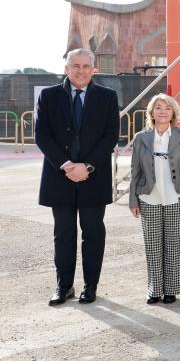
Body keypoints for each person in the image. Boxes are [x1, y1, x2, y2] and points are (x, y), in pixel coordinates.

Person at [36, 48, 119, 306]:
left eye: (86, 66)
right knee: (63, 234)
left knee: (93, 233)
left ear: (94, 68)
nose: (80, 71)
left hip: (94, 178)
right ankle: (64, 285)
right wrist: (66, 165)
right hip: (59, 176)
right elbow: (42, 136)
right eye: (75, 65)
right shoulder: (48, 96)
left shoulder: (107, 97)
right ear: (66, 68)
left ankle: (90, 286)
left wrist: (88, 166)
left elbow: (110, 137)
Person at [129, 94, 180, 304]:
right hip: (149, 196)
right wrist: (133, 200)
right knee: (152, 245)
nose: (162, 111)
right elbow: (135, 170)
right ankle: (154, 289)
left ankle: (171, 289)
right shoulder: (141, 137)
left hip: (177, 195)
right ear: (152, 112)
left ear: (173, 113)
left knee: (175, 244)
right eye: (158, 107)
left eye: (167, 108)